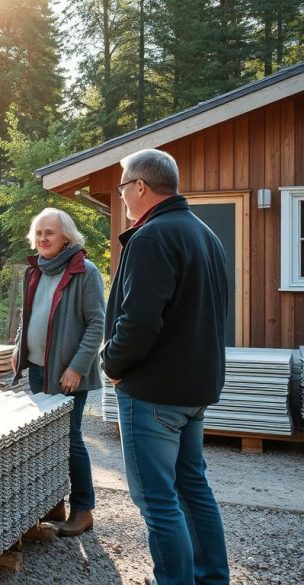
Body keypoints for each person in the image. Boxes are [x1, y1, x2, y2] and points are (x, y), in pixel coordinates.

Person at [103, 149, 229, 585]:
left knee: (158, 501)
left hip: (153, 392)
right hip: (193, 390)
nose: (120, 197)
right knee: (193, 489)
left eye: (122, 188)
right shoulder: (204, 234)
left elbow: (139, 321)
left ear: (140, 186)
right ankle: (212, 578)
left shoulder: (153, 236)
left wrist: (112, 364)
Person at [11, 208, 105, 538]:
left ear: (66, 236)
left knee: (71, 439)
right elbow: (28, 315)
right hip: (38, 370)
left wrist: (77, 368)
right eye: (38, 233)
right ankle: (54, 504)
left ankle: (83, 509)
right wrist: (19, 347)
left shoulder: (85, 271)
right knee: (46, 440)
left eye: (49, 232)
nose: (43, 238)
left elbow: (97, 325)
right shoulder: (34, 271)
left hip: (67, 375)